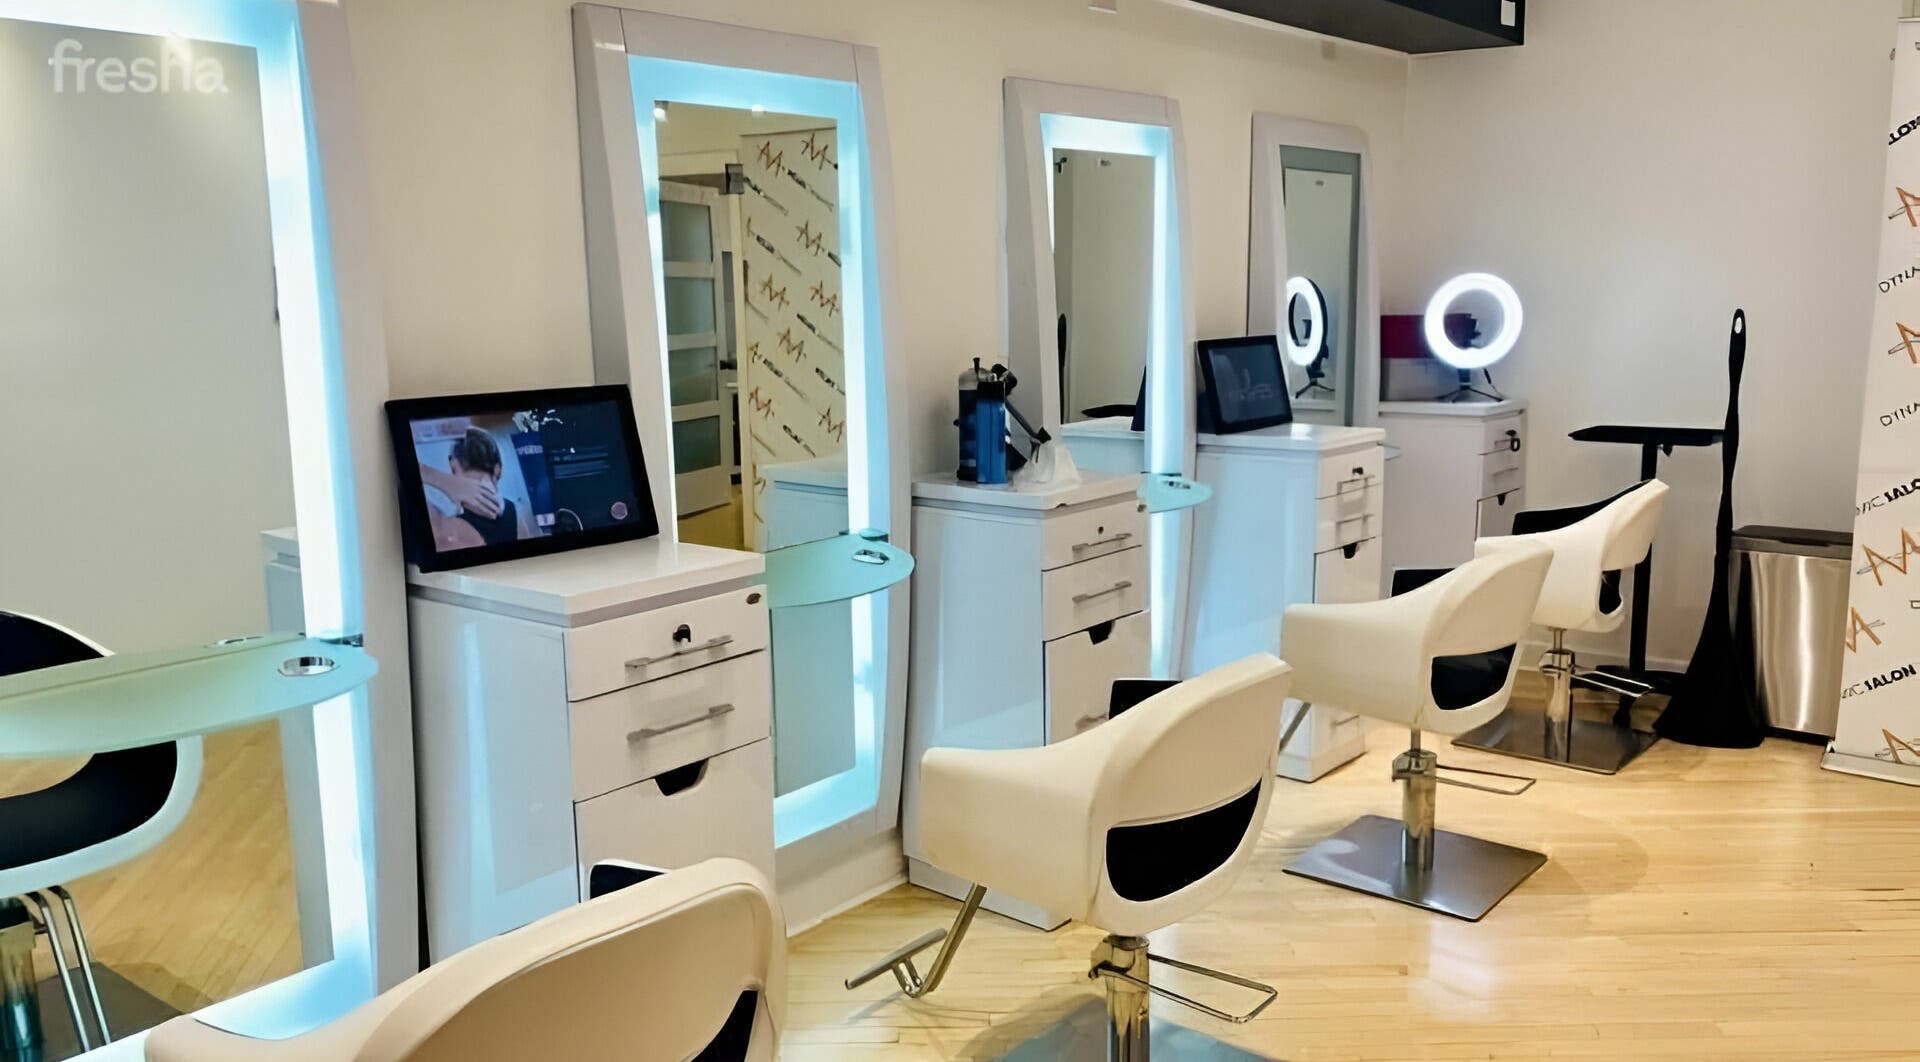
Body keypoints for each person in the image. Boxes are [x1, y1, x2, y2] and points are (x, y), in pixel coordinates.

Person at [420, 428, 534, 549]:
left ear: (453, 465)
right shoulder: (519, 516)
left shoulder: (442, 529)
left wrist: (439, 478)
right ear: (498, 469)